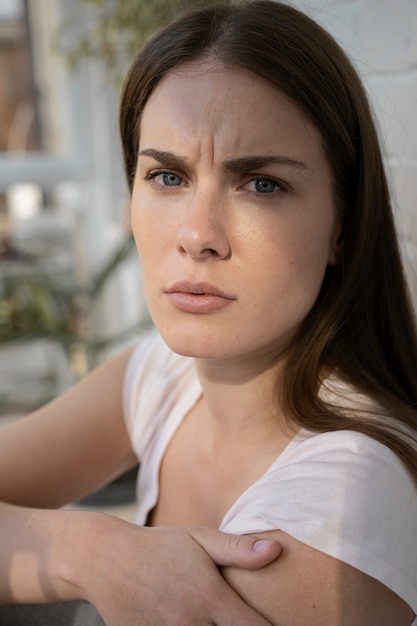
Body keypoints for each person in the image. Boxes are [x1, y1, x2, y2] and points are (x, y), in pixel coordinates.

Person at [0, 0, 416, 623]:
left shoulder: (344, 500)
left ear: (342, 228)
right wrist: (88, 549)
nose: (198, 235)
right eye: (167, 177)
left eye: (262, 184)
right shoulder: (162, 377)